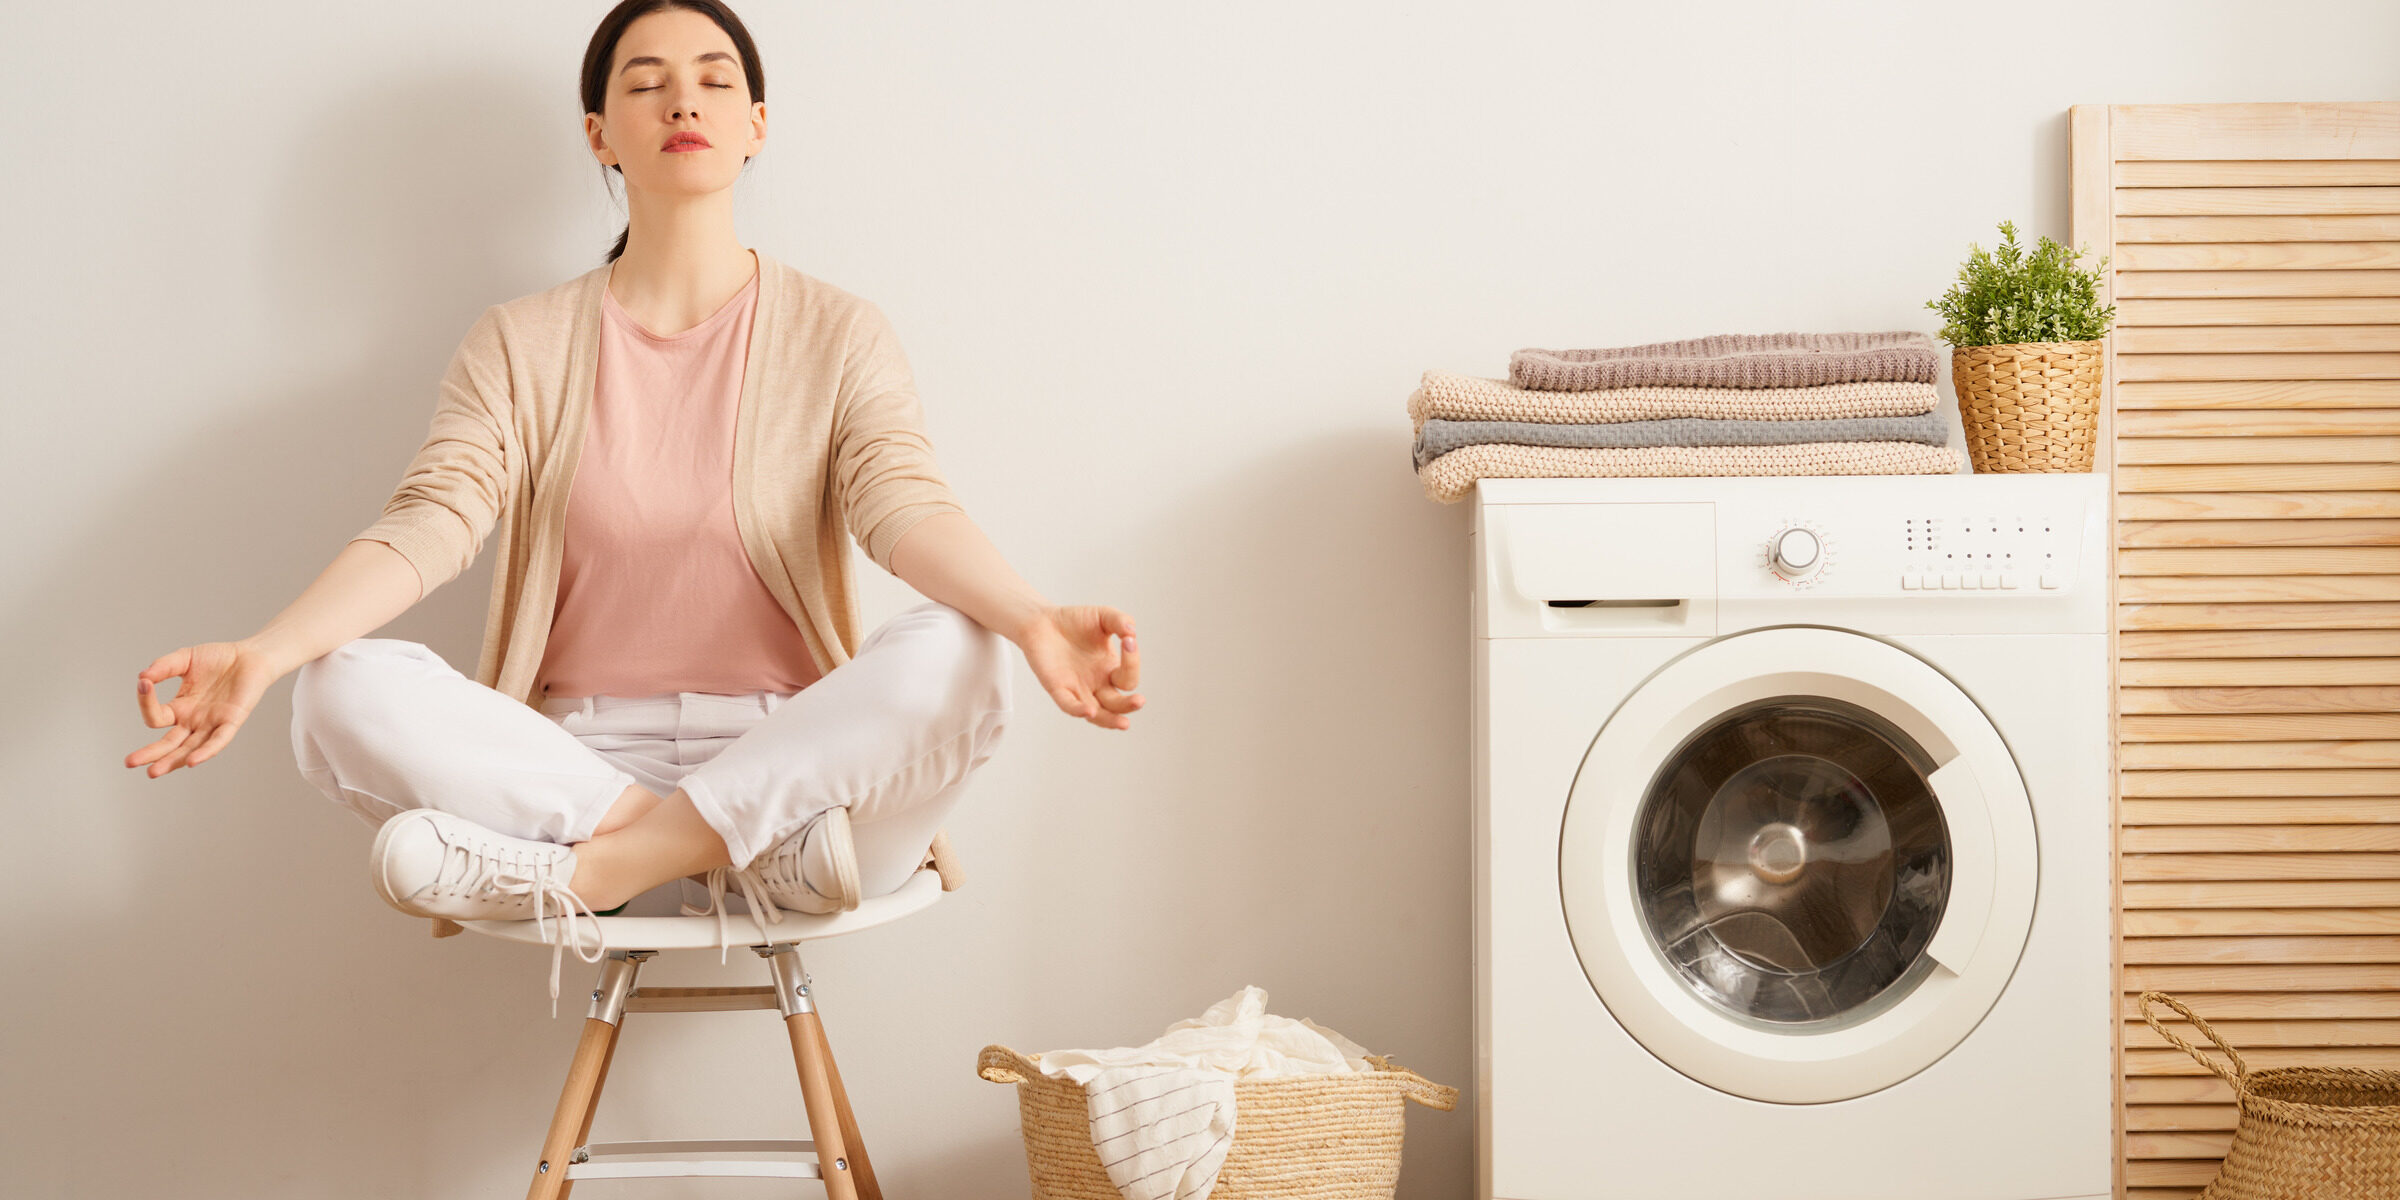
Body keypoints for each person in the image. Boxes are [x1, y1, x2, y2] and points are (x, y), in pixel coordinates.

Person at [123, 0, 1142, 1007]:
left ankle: (601, 873)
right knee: (333, 686)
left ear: (757, 124)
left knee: (965, 649)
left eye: (714, 81)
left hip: (794, 763)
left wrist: (1031, 617)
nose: (682, 103)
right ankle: (702, 848)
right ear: (599, 135)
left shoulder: (838, 332)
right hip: (574, 772)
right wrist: (265, 652)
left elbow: (902, 500)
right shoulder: (518, 343)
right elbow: (433, 518)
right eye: (647, 85)